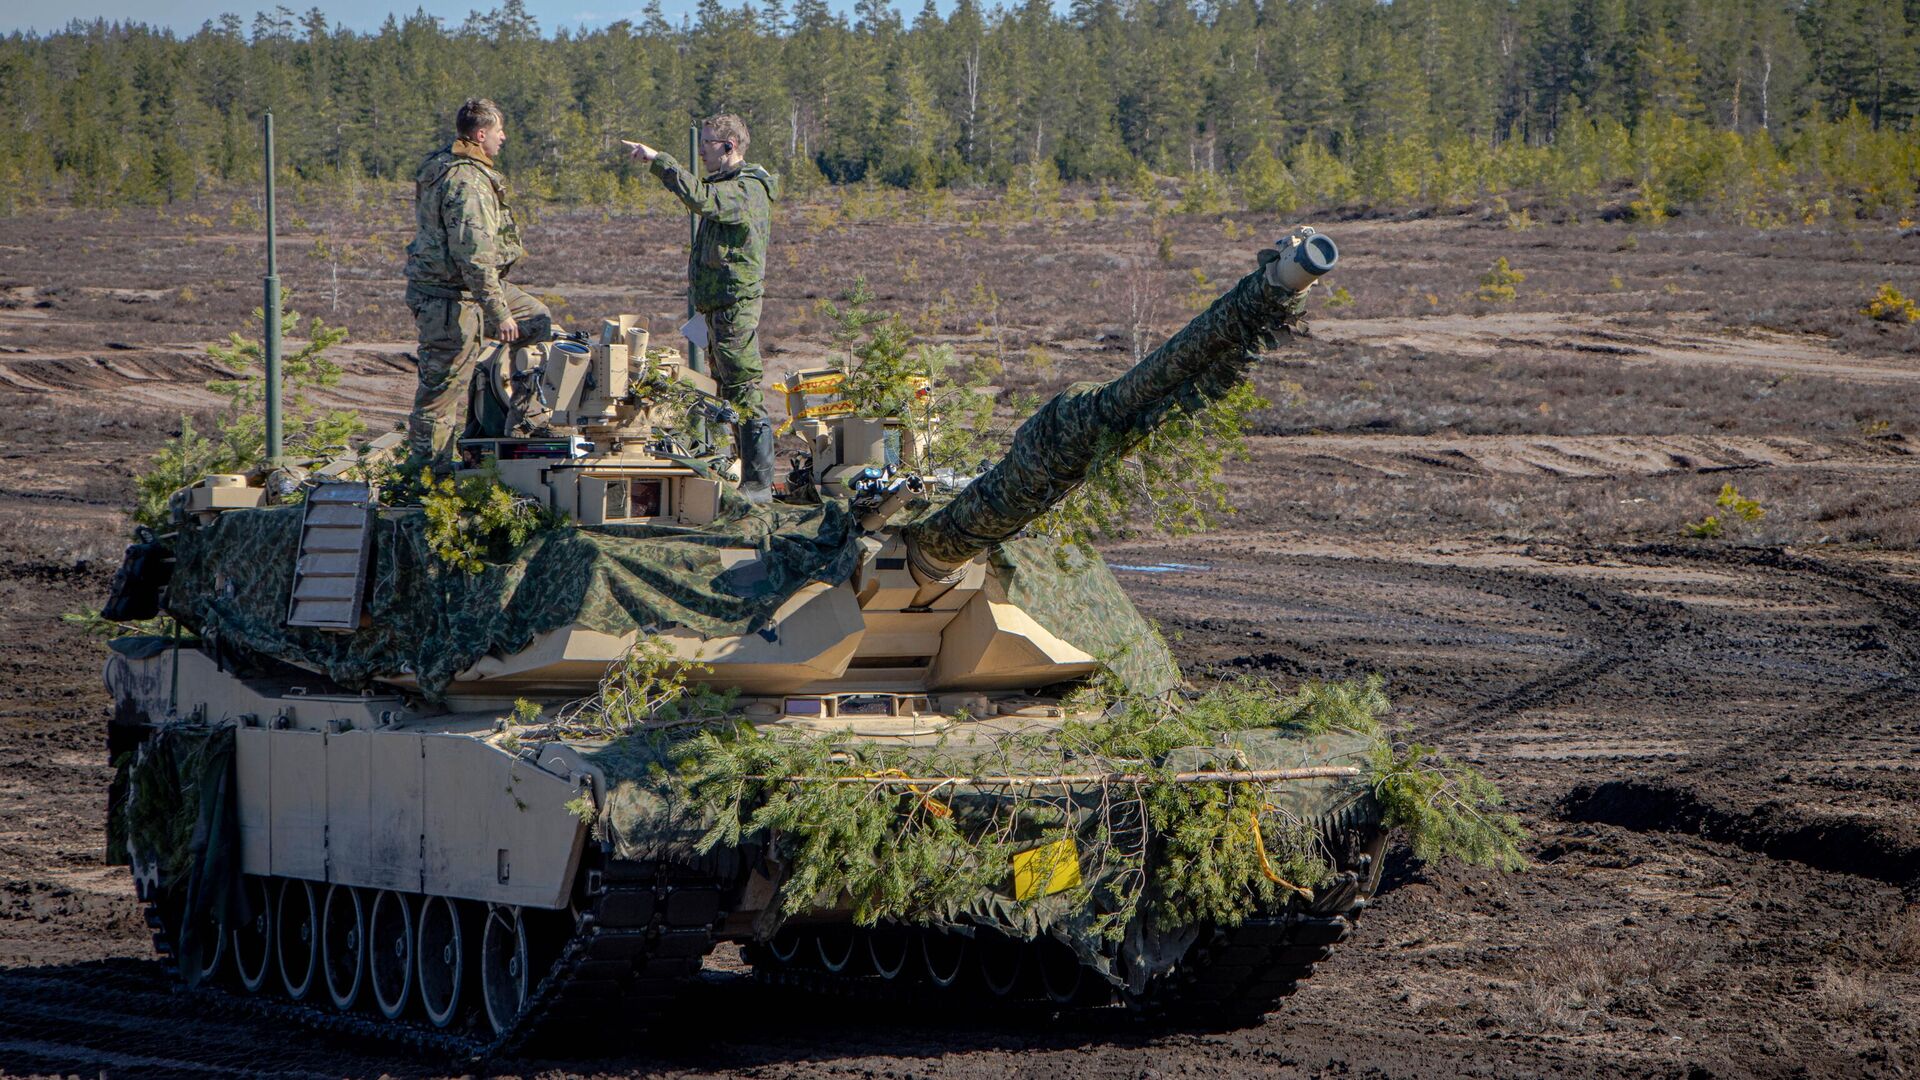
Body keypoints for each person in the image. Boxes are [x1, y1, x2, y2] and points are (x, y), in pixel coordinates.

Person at [624, 115, 779, 502]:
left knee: (743, 389)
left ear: (729, 147)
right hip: (718, 308)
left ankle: (758, 486)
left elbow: (703, 200)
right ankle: (740, 475)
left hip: (734, 308)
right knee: (727, 391)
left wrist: (660, 160)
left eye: (707, 144)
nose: (702, 151)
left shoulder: (746, 190)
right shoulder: (730, 187)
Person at [403, 98, 551, 470]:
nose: (504, 138)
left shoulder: (442, 165)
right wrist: (498, 312)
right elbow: (474, 255)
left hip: (468, 289)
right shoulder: (467, 180)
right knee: (441, 392)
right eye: (499, 131)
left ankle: (510, 419)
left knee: (537, 320)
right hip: (450, 298)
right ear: (480, 134)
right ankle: (426, 477)